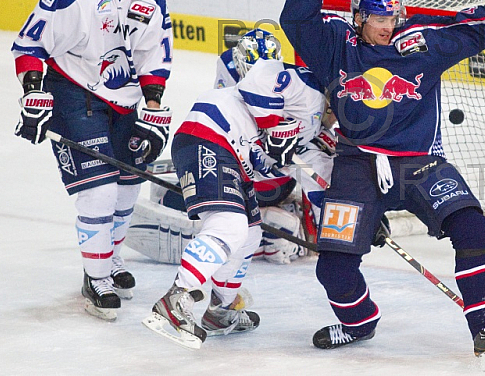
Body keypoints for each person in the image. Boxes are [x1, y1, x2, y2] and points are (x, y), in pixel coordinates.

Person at [280, 0, 485, 370]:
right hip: (356, 166)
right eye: (376, 19)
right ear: (357, 18)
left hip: (420, 163)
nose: (387, 26)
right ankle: (359, 323)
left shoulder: (421, 42)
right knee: (333, 269)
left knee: (471, 228)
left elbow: (472, 28)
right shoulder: (336, 45)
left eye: (392, 16)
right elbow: (295, 21)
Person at [11, 0, 174, 321]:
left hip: (126, 100)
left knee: (128, 184)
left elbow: (155, 55)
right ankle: (95, 276)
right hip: (75, 93)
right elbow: (30, 44)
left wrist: (153, 107)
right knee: (99, 189)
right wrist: (33, 90)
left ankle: (111, 258)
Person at [125, 28, 337, 265]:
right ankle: (258, 225)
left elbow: (307, 153)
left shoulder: (294, 88)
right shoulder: (231, 68)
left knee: (231, 204)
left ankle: (266, 226)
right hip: (247, 164)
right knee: (215, 185)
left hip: (271, 172)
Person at [141, 84, 301, 348]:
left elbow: (266, 171)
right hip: (208, 140)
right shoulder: (264, 96)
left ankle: (220, 311)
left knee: (250, 234)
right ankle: (176, 298)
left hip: (230, 157)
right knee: (230, 225)